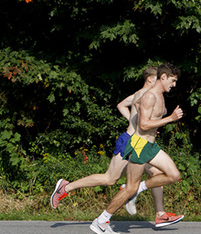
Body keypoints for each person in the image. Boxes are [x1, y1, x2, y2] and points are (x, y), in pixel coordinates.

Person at [50, 66, 173, 223]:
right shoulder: (145, 94)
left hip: (139, 142)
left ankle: (160, 213)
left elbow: (121, 105)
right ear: (150, 79)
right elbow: (137, 107)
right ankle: (66, 187)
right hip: (132, 142)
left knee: (156, 174)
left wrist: (138, 123)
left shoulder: (140, 94)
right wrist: (143, 125)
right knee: (110, 178)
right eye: (158, 78)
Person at [89, 63, 185, 234]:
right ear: (163, 77)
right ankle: (102, 221)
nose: (174, 85)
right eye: (172, 81)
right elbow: (143, 124)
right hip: (140, 145)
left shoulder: (160, 95)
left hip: (150, 145)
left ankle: (139, 188)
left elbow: (149, 122)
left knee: (174, 175)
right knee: (129, 189)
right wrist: (170, 118)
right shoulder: (149, 96)